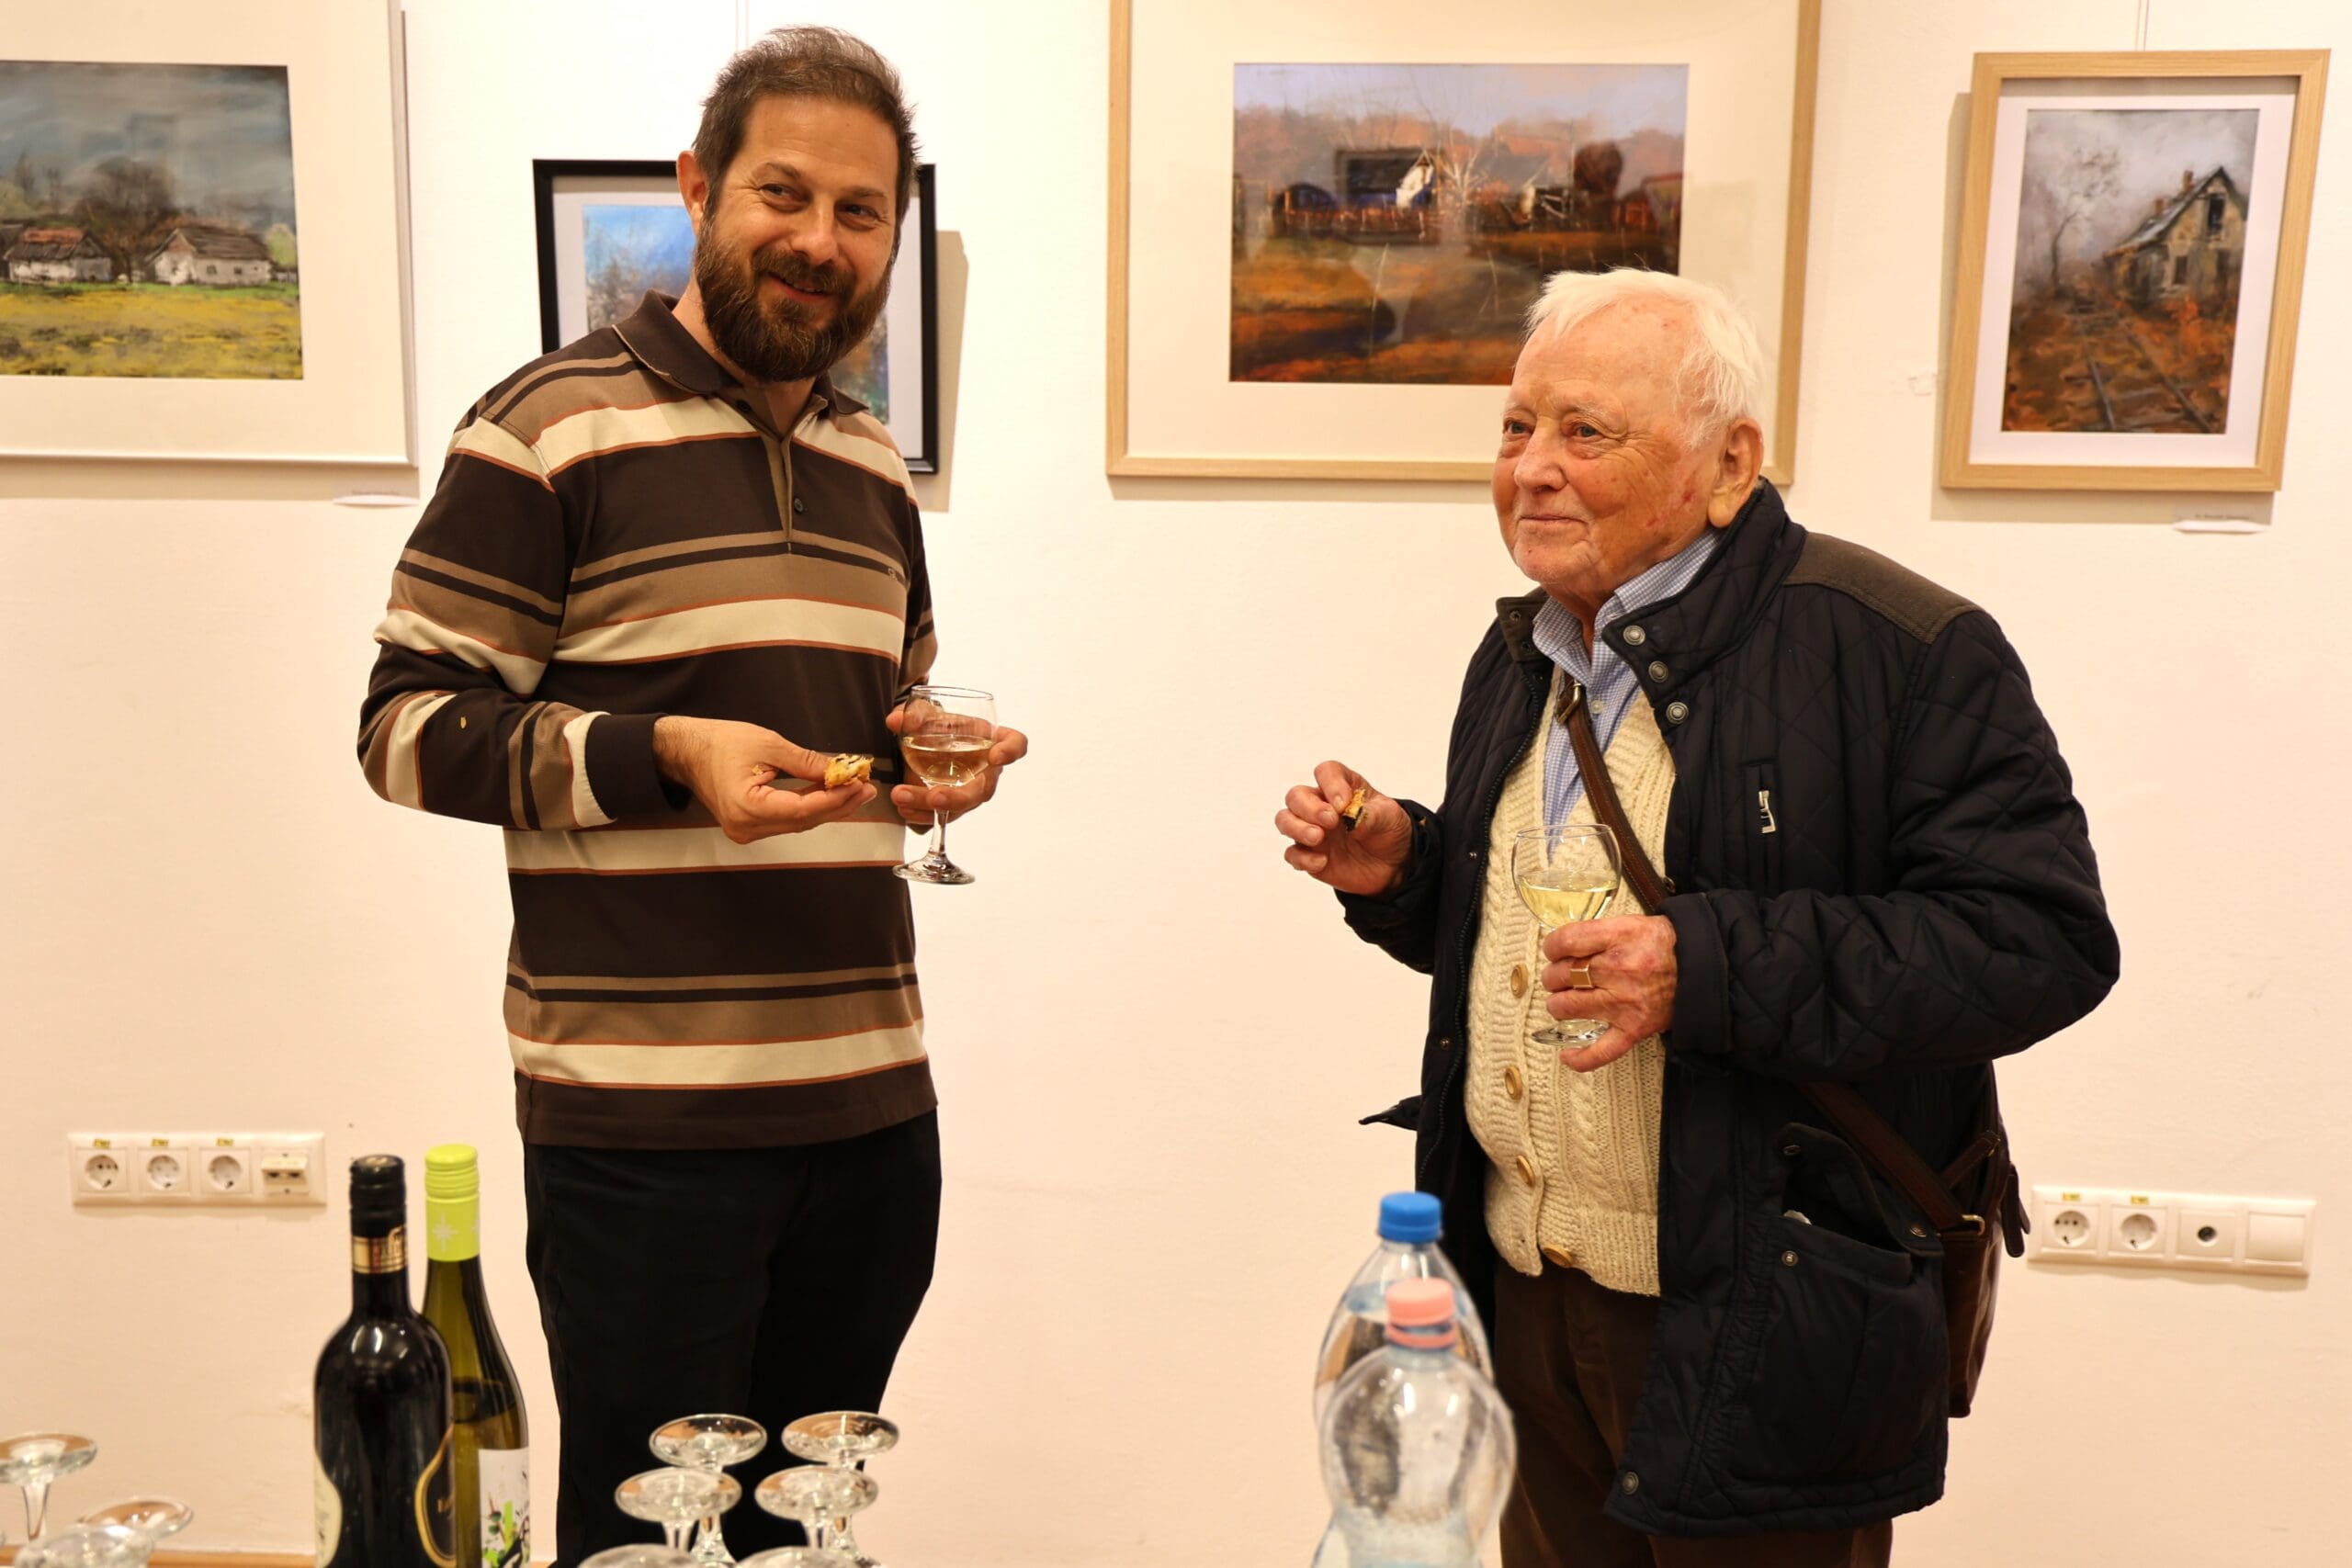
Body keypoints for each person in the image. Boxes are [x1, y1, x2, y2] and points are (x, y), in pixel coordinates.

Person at [1275, 269, 2117, 1566]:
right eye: (1517, 427)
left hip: (1770, 1316)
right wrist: (1411, 871)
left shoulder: (1901, 648)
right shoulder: (1523, 653)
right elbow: (1536, 935)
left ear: (1729, 465)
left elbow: (2038, 943)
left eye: (1585, 432)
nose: (1532, 469)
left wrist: (1707, 968)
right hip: (1524, 1301)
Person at [356, 28, 1024, 1564]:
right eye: (783, 193)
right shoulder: (545, 428)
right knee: (641, 1542)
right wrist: (663, 751)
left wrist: (930, 769)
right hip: (643, 1136)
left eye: (861, 212)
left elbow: (876, 730)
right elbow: (402, 727)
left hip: (874, 1116)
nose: (821, 239)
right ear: (698, 189)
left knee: (805, 1542)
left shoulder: (871, 461)